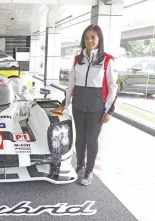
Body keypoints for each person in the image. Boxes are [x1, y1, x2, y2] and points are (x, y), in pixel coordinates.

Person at [52, 24, 118, 186]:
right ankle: (79, 166)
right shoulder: (78, 59)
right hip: (78, 107)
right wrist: (64, 104)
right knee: (80, 139)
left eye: (93, 37)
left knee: (91, 140)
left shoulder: (107, 60)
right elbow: (71, 84)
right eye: (86, 38)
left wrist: (109, 110)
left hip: (97, 108)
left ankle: (89, 172)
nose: (90, 40)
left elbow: (112, 87)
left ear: (99, 39)